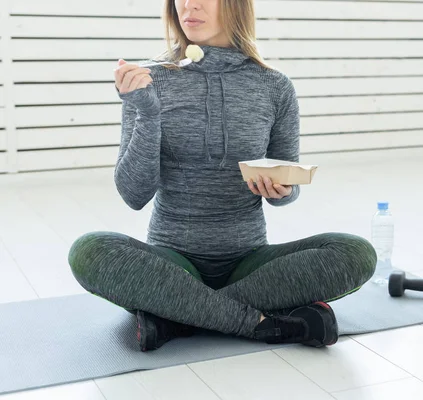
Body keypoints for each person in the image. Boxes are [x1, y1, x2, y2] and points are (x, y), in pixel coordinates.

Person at [68, 0, 376, 352]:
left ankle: (177, 313)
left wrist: (281, 191)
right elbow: (133, 195)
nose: (189, 5)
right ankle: (260, 324)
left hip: (250, 265)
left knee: (355, 252)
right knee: (89, 250)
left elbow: (289, 189)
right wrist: (147, 113)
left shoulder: (275, 87)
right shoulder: (149, 82)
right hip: (172, 265)